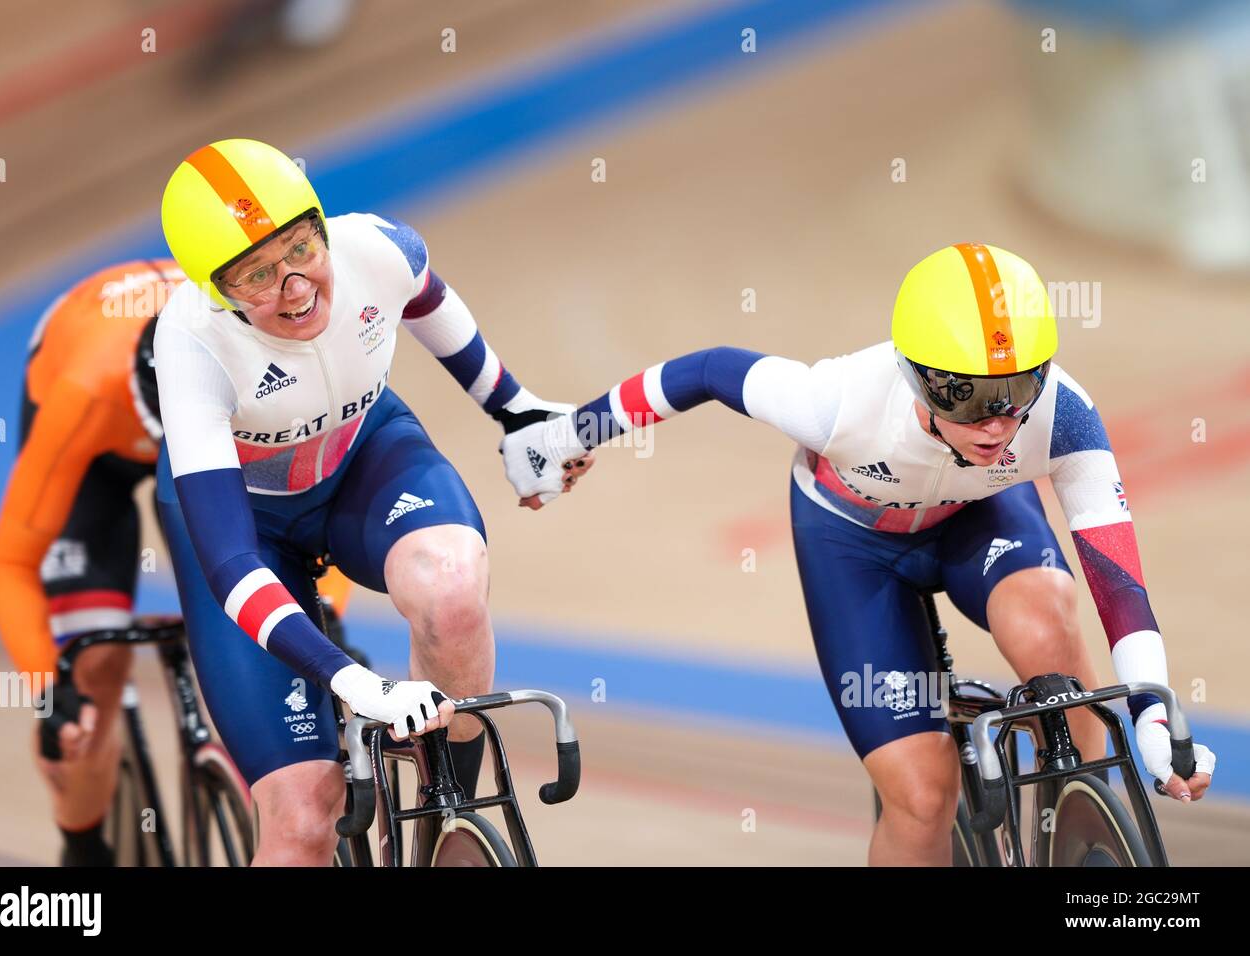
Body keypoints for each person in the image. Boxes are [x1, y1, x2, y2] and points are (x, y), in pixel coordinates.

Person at [502, 242, 1216, 865]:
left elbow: (1118, 581)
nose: (996, 424)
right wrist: (568, 436)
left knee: (1049, 620)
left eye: (1017, 391)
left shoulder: (1063, 413)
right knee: (921, 797)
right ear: (916, 375)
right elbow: (706, 371)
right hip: (852, 546)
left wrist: (1154, 718)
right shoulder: (836, 401)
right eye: (965, 397)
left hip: (975, 518)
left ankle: (1090, 816)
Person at [153, 138, 590, 866]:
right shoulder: (191, 342)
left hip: (363, 460)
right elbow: (229, 563)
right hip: (249, 525)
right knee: (302, 819)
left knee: (451, 589)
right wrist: (355, 682)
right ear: (217, 291)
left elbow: (426, 298)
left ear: (321, 225)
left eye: (299, 248)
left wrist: (514, 411)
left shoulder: (374, 249)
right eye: (257, 274)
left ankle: (446, 819)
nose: (294, 285)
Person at [0, 259, 358, 866]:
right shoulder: (83, 392)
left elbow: (318, 502)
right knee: (93, 673)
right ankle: (82, 851)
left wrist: (326, 620)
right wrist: (50, 689)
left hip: (220, 439)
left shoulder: (257, 368)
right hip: (94, 441)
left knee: (262, 630)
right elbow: (12, 564)